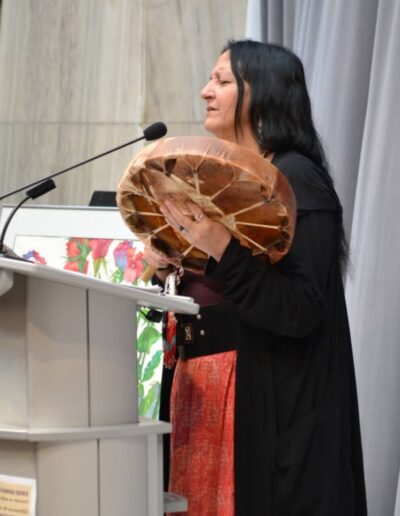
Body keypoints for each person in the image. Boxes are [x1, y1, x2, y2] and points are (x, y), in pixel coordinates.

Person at [144, 40, 367, 516]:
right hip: (198, 394)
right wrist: (167, 265)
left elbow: (301, 308)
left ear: (263, 93)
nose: (205, 91)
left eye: (222, 81)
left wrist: (219, 247)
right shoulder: (226, 178)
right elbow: (215, 288)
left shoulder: (295, 178)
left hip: (256, 408)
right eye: (211, 79)